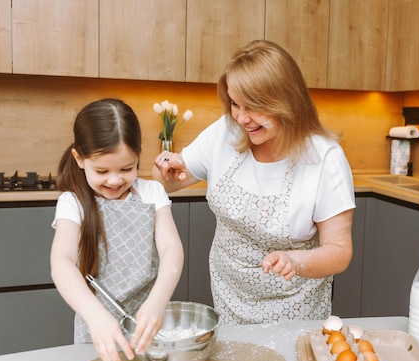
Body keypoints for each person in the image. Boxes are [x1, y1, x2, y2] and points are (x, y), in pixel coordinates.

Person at [152, 40, 355, 325]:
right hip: (228, 298)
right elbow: (172, 182)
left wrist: (295, 262)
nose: (242, 118)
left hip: (294, 308)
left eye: (254, 107)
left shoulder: (324, 158)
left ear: (286, 101)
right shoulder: (225, 132)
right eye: (235, 104)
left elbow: (339, 251)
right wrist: (165, 173)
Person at [50, 98, 183, 361]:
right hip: (98, 330)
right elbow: (61, 262)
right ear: (79, 158)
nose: (114, 180)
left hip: (146, 326)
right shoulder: (72, 203)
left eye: (126, 169)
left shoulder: (152, 193)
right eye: (101, 171)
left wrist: (158, 302)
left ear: (138, 156)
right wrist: (95, 317)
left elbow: (172, 249)